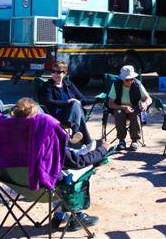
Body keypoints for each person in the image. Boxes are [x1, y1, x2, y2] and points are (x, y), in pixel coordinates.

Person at [9, 97, 106, 231]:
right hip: (44, 189)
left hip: (19, 186)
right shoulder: (45, 139)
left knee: (55, 171)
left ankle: (59, 215)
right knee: (86, 169)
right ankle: (77, 216)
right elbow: (78, 163)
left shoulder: (8, 139)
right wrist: (102, 150)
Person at [39, 61, 92, 147]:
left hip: (72, 115)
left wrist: (78, 102)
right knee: (76, 107)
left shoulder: (69, 84)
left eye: (58, 72)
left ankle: (77, 134)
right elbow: (48, 102)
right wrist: (67, 103)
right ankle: (86, 141)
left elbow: (83, 99)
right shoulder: (47, 86)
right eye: (53, 71)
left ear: (64, 73)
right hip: (57, 115)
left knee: (76, 105)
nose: (55, 74)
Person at [108, 65, 152, 151]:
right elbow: (111, 104)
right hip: (120, 107)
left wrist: (145, 104)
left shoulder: (137, 84)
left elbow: (149, 98)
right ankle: (121, 140)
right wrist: (123, 107)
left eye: (132, 79)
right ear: (122, 79)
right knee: (119, 113)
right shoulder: (116, 85)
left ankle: (134, 140)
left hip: (134, 107)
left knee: (134, 113)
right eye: (127, 80)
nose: (130, 81)